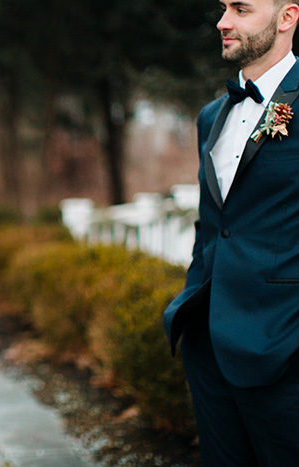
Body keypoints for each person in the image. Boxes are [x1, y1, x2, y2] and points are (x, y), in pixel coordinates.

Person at [163, 0, 299, 465]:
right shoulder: (211, 117)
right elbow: (214, 225)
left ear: (287, 17)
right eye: (223, 8)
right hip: (209, 346)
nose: (222, 22)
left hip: (285, 351)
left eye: (241, 9)